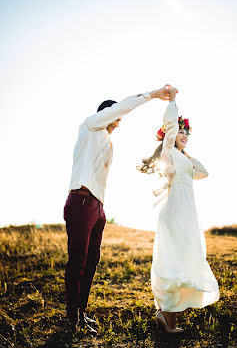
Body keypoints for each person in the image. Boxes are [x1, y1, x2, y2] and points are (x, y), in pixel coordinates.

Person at [63, 85, 170, 334]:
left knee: (92, 261)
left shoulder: (107, 143)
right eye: (117, 119)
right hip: (80, 201)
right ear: (108, 114)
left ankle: (81, 313)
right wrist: (153, 95)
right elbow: (124, 105)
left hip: (97, 207)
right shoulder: (90, 126)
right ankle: (71, 320)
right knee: (77, 262)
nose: (119, 124)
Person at [137, 87, 220, 333]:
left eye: (186, 133)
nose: (183, 135)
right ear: (170, 136)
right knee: (172, 263)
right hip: (174, 213)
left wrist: (188, 153)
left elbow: (204, 173)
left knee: (183, 261)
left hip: (187, 215)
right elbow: (170, 125)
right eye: (179, 132)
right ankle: (165, 314)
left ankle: (167, 319)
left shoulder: (183, 159)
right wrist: (173, 101)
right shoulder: (169, 152)